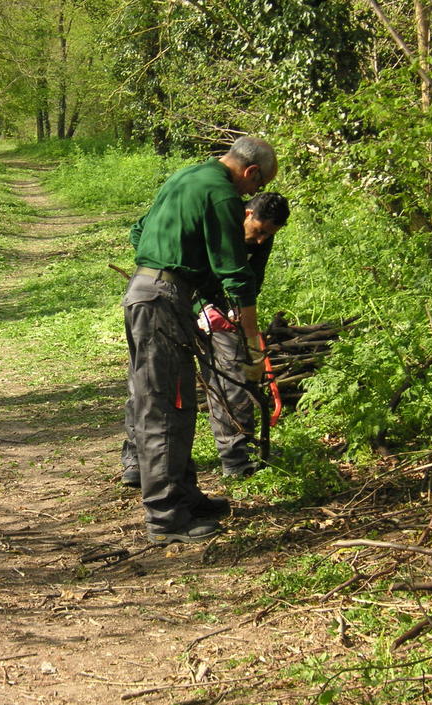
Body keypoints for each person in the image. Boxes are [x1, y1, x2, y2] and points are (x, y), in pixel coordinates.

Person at [122, 135, 278, 544]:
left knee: (177, 402)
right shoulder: (221, 192)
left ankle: (184, 495)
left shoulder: (187, 177)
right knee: (164, 407)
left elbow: (141, 232)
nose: (251, 195)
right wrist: (251, 342)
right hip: (161, 301)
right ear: (251, 172)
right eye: (256, 187)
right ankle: (166, 517)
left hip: (150, 293)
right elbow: (233, 270)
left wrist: (193, 288)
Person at [121, 191, 290, 486]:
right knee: (150, 379)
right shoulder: (210, 211)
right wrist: (199, 302)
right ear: (247, 214)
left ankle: (237, 457)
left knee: (233, 373)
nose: (261, 240)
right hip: (171, 296)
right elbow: (141, 233)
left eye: (269, 236)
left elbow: (251, 278)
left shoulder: (262, 237)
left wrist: (236, 313)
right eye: (260, 232)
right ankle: (137, 459)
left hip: (221, 308)